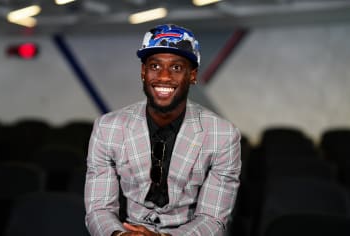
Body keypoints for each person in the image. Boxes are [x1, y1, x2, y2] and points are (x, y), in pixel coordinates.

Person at [84, 24, 241, 236]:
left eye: (176, 68)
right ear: (143, 72)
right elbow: (98, 207)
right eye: (155, 66)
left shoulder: (223, 135)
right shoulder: (108, 128)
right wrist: (119, 234)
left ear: (192, 75)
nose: (164, 77)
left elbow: (212, 219)